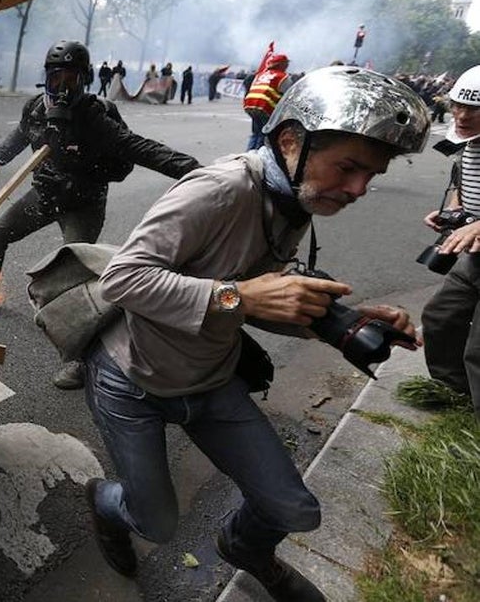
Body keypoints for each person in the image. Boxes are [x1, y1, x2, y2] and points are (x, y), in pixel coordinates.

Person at [85, 66, 428, 601]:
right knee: (155, 523)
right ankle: (103, 503)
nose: (359, 189)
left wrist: (347, 321)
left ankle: (244, 549)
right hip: (133, 380)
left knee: (295, 510)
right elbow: (123, 279)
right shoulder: (219, 190)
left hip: (209, 378)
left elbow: (260, 299)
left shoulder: (293, 200)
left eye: (371, 174)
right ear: (291, 141)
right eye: (349, 167)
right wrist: (237, 297)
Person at [0, 40, 200, 389]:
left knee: (78, 280)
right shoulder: (35, 109)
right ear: (46, 78)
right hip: (45, 196)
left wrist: (194, 170)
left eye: (71, 79)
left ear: (84, 81)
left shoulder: (95, 116)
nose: (62, 88)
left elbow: (137, 150)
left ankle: (80, 361)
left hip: (83, 203)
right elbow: (18, 137)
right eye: (56, 78)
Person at [421, 66, 480, 420]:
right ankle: (455, 395)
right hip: (474, 259)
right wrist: (453, 214)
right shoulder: (465, 143)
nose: (461, 115)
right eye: (458, 105)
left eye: (474, 108)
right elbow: (462, 186)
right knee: (440, 317)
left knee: (478, 350)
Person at [243, 47, 290, 150]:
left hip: (250, 105)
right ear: (281, 64)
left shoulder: (260, 75)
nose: (287, 65)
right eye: (286, 63)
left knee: (256, 133)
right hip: (265, 107)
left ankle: (248, 153)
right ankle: (257, 156)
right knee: (265, 134)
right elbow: (288, 94)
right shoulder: (282, 77)